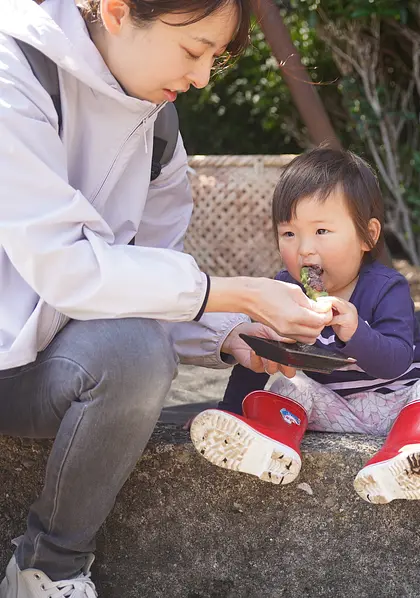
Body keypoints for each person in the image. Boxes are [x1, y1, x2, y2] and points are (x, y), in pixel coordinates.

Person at [0, 1, 334, 596]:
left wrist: (231, 334)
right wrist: (240, 294)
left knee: (135, 353)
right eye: (193, 50)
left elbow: (150, 284)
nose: (203, 78)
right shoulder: (13, 67)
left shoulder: (158, 128)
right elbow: (63, 265)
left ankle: (46, 571)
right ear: (118, 11)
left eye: (214, 58)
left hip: (38, 373)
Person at [189, 147, 420, 504]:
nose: (305, 249)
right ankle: (274, 442)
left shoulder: (387, 287)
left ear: (368, 236)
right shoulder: (283, 292)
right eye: (289, 234)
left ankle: (403, 453)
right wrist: (228, 411)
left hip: (402, 405)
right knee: (288, 384)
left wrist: (356, 332)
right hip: (333, 407)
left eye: (321, 230)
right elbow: (260, 355)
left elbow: (397, 360)